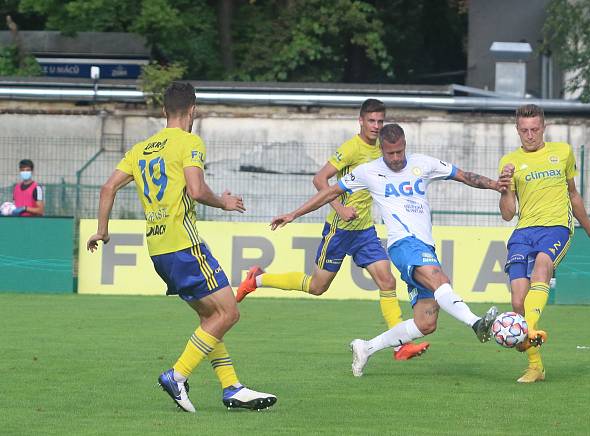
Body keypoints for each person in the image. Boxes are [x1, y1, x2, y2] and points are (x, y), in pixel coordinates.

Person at [86, 82, 276, 412]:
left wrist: (103, 230)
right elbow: (198, 189)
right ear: (193, 110)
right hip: (185, 245)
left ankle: (231, 387)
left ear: (163, 111)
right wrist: (225, 203)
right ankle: (177, 375)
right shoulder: (189, 142)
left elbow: (107, 188)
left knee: (209, 317)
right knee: (229, 312)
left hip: (158, 249)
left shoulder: (141, 149)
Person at [271, 123, 505, 377]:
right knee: (439, 279)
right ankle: (476, 323)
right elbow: (328, 193)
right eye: (390, 153)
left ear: (405, 146)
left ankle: (367, 348)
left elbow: (464, 176)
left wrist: (495, 185)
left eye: (400, 152)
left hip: (425, 244)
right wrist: (293, 214)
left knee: (426, 323)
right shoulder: (368, 171)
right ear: (381, 149)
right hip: (402, 244)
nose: (395, 159)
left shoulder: (423, 164)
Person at [236, 99, 430, 361]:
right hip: (339, 230)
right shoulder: (351, 148)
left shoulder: (386, 150)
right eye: (371, 121)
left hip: (364, 231)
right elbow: (319, 179)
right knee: (317, 287)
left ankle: (400, 344)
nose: (375, 126)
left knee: (387, 280)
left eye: (380, 121)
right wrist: (339, 209)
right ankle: (257, 279)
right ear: (360, 121)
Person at [498, 104, 590, 383]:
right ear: (517, 130)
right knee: (518, 300)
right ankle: (536, 366)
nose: (530, 135)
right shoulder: (509, 161)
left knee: (543, 267)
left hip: (556, 227)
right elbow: (508, 213)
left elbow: (573, 194)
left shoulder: (562, 152)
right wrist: (505, 187)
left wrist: (589, 229)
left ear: (543, 127)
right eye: (524, 130)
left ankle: (527, 328)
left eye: (534, 129)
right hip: (523, 231)